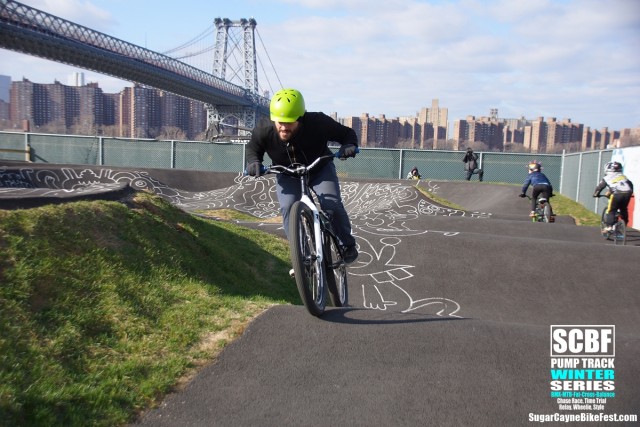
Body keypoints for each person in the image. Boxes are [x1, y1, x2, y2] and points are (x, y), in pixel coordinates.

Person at [245, 88, 359, 264]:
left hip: (319, 169)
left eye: (288, 123)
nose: (283, 127)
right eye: (279, 122)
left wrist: (349, 145)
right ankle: (301, 255)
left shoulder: (318, 122)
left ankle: (346, 244)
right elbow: (253, 149)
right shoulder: (264, 129)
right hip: (287, 173)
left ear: (300, 118)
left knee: (332, 205)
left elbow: (346, 134)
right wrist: (253, 162)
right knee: (288, 207)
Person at [593, 161, 634, 231]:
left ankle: (609, 226)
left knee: (611, 210)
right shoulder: (623, 176)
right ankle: (624, 223)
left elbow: (600, 187)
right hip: (628, 193)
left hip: (616, 194)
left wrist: (595, 194)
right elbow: (630, 184)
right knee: (623, 209)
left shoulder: (607, 177)